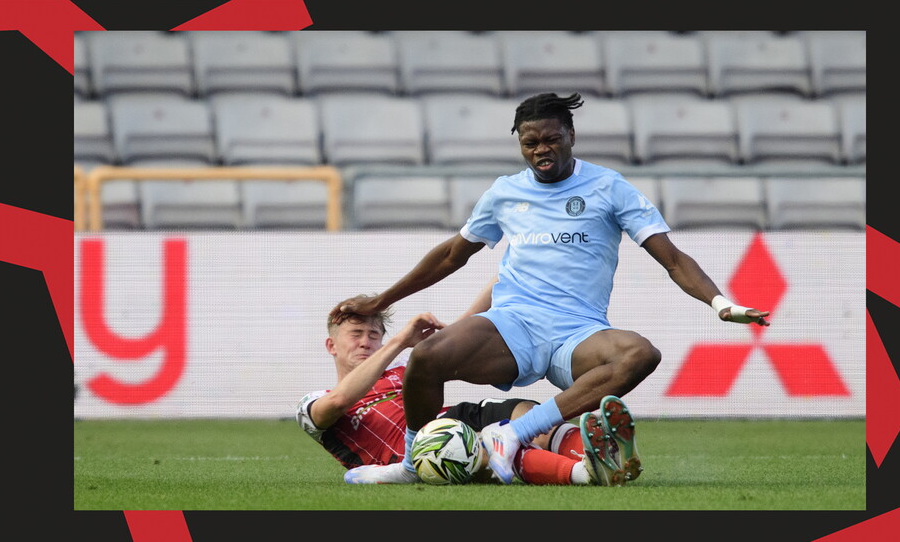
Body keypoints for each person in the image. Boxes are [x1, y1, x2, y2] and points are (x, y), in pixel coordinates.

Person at [330, 92, 770, 486]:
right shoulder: (504, 193)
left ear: (571, 136)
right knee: (427, 358)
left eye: (551, 139)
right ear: (520, 144)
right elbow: (451, 256)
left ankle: (514, 434)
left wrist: (720, 303)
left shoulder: (609, 187)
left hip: (577, 332)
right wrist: (382, 301)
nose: (542, 149)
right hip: (512, 324)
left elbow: (672, 259)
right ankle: (412, 463)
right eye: (530, 142)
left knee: (639, 354)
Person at [296, 294, 618, 486]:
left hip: (448, 420)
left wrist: (508, 272)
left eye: (373, 334)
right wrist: (397, 342)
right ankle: (583, 473)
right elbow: (339, 402)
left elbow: (460, 333)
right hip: (412, 455)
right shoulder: (312, 402)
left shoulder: (400, 370)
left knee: (521, 413)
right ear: (331, 345)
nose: (366, 341)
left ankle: (603, 453)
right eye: (356, 334)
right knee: (485, 447)